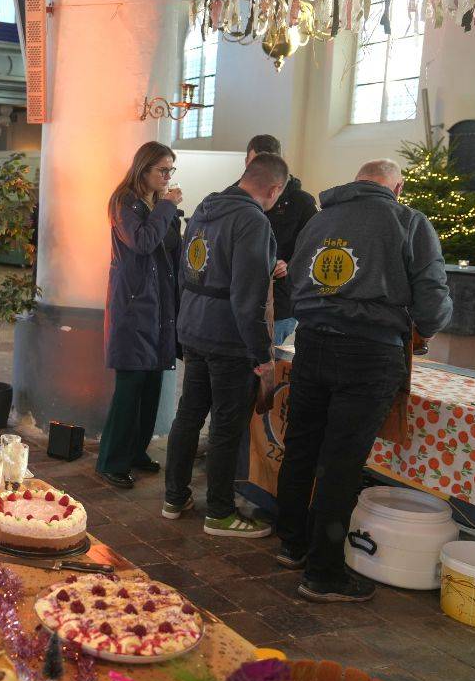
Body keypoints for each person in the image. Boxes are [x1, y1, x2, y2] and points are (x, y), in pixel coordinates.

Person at [275, 159, 451, 602]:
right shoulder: (408, 220)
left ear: (356, 181)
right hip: (370, 352)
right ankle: (324, 573)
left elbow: (297, 277)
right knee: (341, 461)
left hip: (311, 343)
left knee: (301, 446)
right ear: (398, 187)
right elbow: (432, 294)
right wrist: (424, 330)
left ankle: (293, 543)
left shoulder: (320, 218)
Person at [162, 153, 288, 537]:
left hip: (195, 326)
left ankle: (174, 497)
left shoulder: (205, 208)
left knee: (188, 414)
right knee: (226, 425)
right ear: (273, 188)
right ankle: (219, 512)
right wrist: (262, 353)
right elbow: (248, 296)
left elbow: (188, 270)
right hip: (229, 336)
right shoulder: (252, 220)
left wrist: (184, 323)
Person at [96, 142, 184, 489]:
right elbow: (143, 242)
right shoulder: (124, 202)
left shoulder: (155, 203)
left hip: (159, 305)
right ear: (143, 169)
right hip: (133, 307)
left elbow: (170, 245)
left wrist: (169, 213)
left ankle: (135, 451)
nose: (167, 176)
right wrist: (165, 206)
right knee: (130, 387)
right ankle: (111, 461)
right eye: (162, 170)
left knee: (152, 385)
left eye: (170, 171)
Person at [247, 135, 318, 345]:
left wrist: (290, 264)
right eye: (255, 164)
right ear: (246, 163)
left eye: (267, 164)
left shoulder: (301, 201)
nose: (261, 171)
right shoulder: (235, 196)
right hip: (240, 299)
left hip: (280, 302)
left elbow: (314, 247)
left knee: (268, 367)